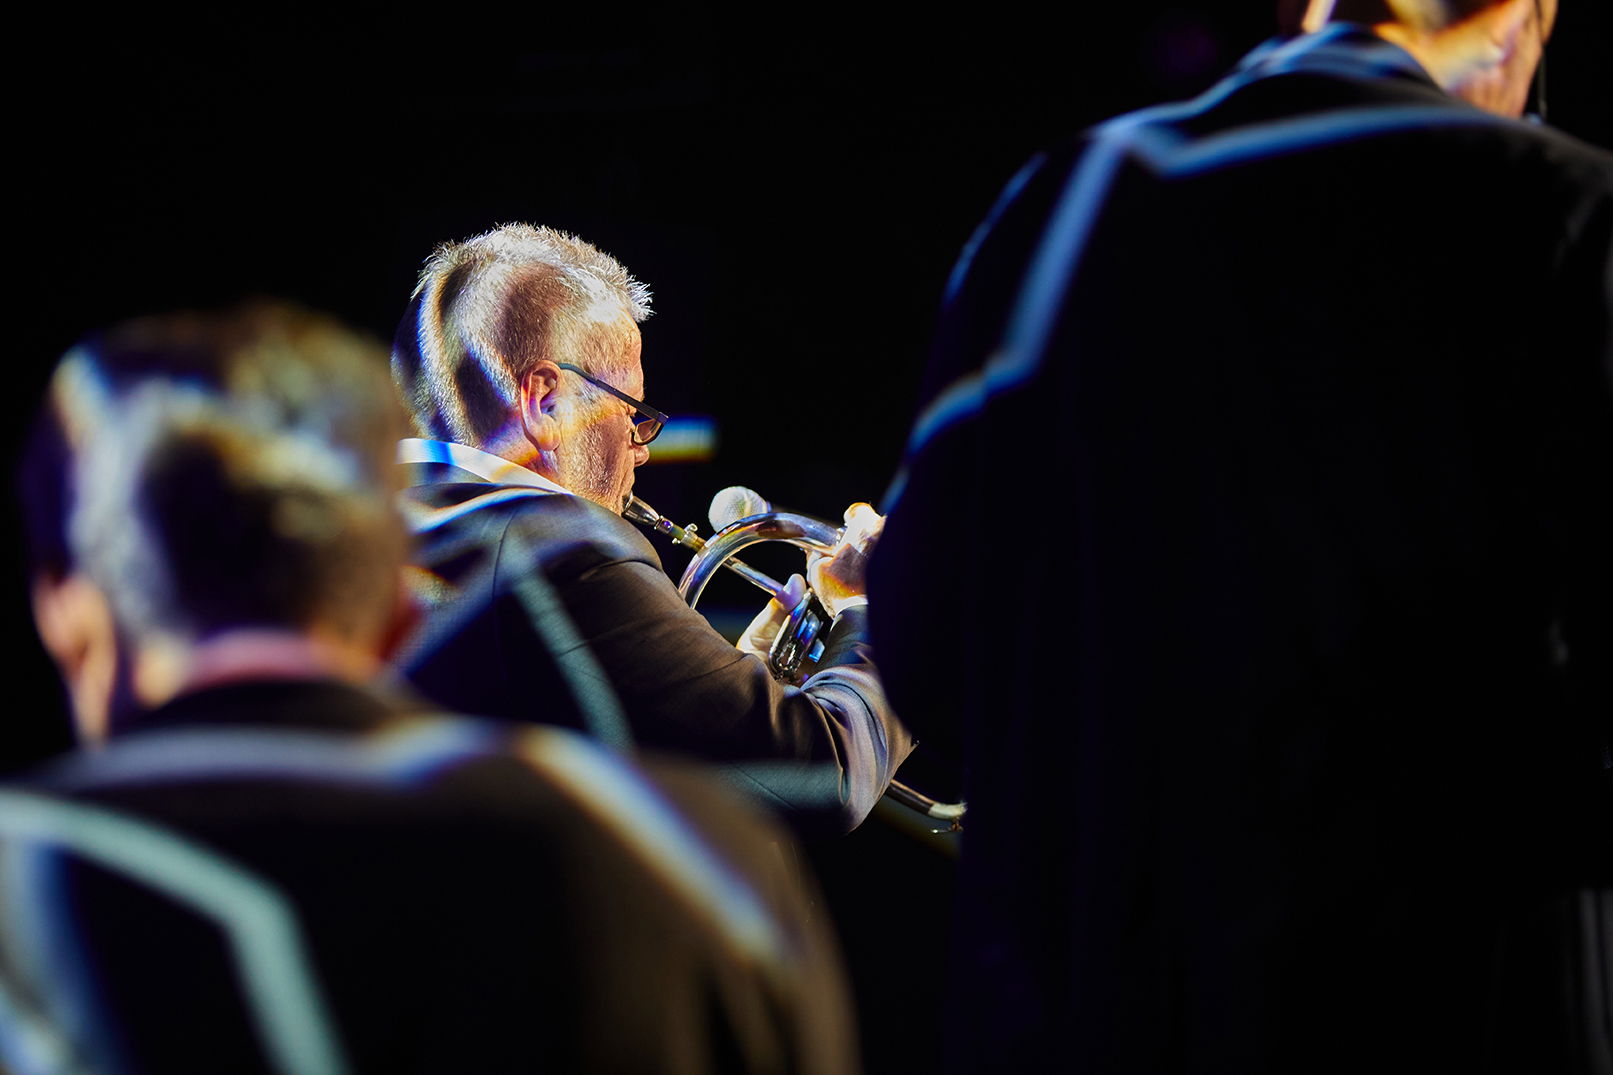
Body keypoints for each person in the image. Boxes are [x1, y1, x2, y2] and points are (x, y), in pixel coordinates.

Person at [869, 0, 1612, 1070]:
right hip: (1470, 1008)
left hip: (1110, 1009)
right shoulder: (1573, 213)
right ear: (1512, 16)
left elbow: (929, 647)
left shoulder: (1069, 201)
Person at [5, 302, 859, 1074]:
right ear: (391, 610)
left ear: (63, 615)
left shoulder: (22, 877)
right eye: (631, 412)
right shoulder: (704, 865)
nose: (640, 445)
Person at [390, 223, 913, 832]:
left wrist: (750, 680)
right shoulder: (563, 548)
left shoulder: (364, 529)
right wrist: (880, 611)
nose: (640, 452)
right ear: (546, 402)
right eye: (633, 413)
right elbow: (828, 777)